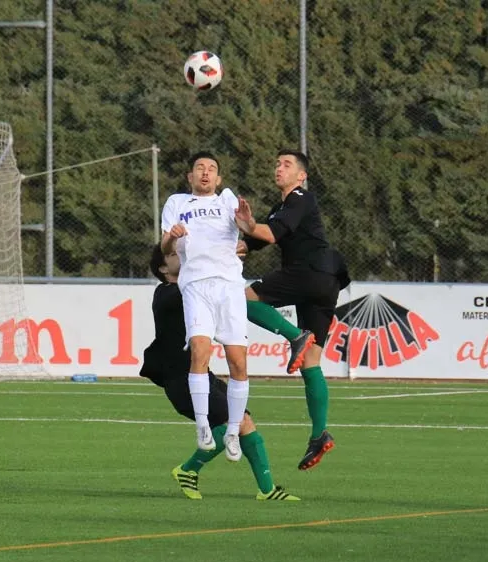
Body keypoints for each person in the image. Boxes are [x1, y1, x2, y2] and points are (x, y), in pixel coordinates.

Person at [141, 245, 299, 501]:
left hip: (203, 375)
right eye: (172, 255)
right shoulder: (166, 294)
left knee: (243, 422)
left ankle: (267, 490)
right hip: (181, 381)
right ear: (162, 269)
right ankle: (188, 469)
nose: (180, 256)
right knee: (231, 423)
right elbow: (197, 290)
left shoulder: (194, 290)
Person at [234, 150, 349, 470]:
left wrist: (249, 224)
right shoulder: (283, 208)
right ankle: (318, 435)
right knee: (311, 363)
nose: (278, 168)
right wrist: (236, 238)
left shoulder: (301, 198)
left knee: (240, 300)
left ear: (302, 176)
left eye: (286, 165)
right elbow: (252, 242)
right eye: (277, 163)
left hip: (308, 273)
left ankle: (295, 336)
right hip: (326, 283)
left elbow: (267, 233)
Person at [160, 152, 249, 462]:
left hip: (229, 286)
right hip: (196, 284)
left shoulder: (227, 200)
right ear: (190, 176)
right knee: (200, 350)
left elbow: (247, 231)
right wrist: (172, 238)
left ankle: (233, 430)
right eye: (200, 168)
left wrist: (247, 227)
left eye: (211, 169)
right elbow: (164, 247)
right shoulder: (176, 204)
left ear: (219, 178)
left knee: (238, 362)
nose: (205, 173)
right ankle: (202, 427)